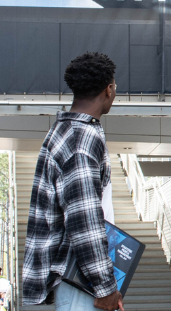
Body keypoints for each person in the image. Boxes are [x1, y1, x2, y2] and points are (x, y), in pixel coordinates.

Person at [22, 52, 123, 311]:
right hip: (79, 279)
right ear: (108, 89)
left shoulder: (67, 131)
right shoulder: (82, 139)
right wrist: (105, 285)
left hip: (77, 275)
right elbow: (84, 219)